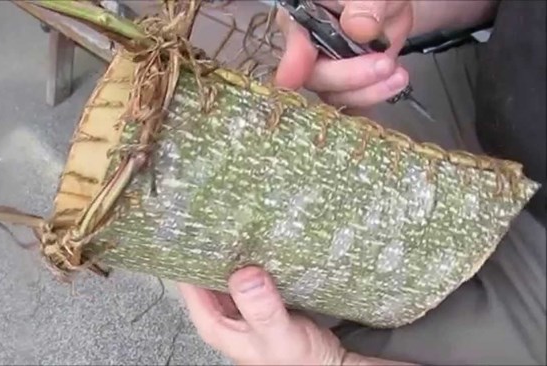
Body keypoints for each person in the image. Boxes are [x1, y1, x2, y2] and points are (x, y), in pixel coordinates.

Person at [178, 0, 546, 365]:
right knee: (239, 210)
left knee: (279, 341)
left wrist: (333, 362)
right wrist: (393, 14)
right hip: (483, 95)